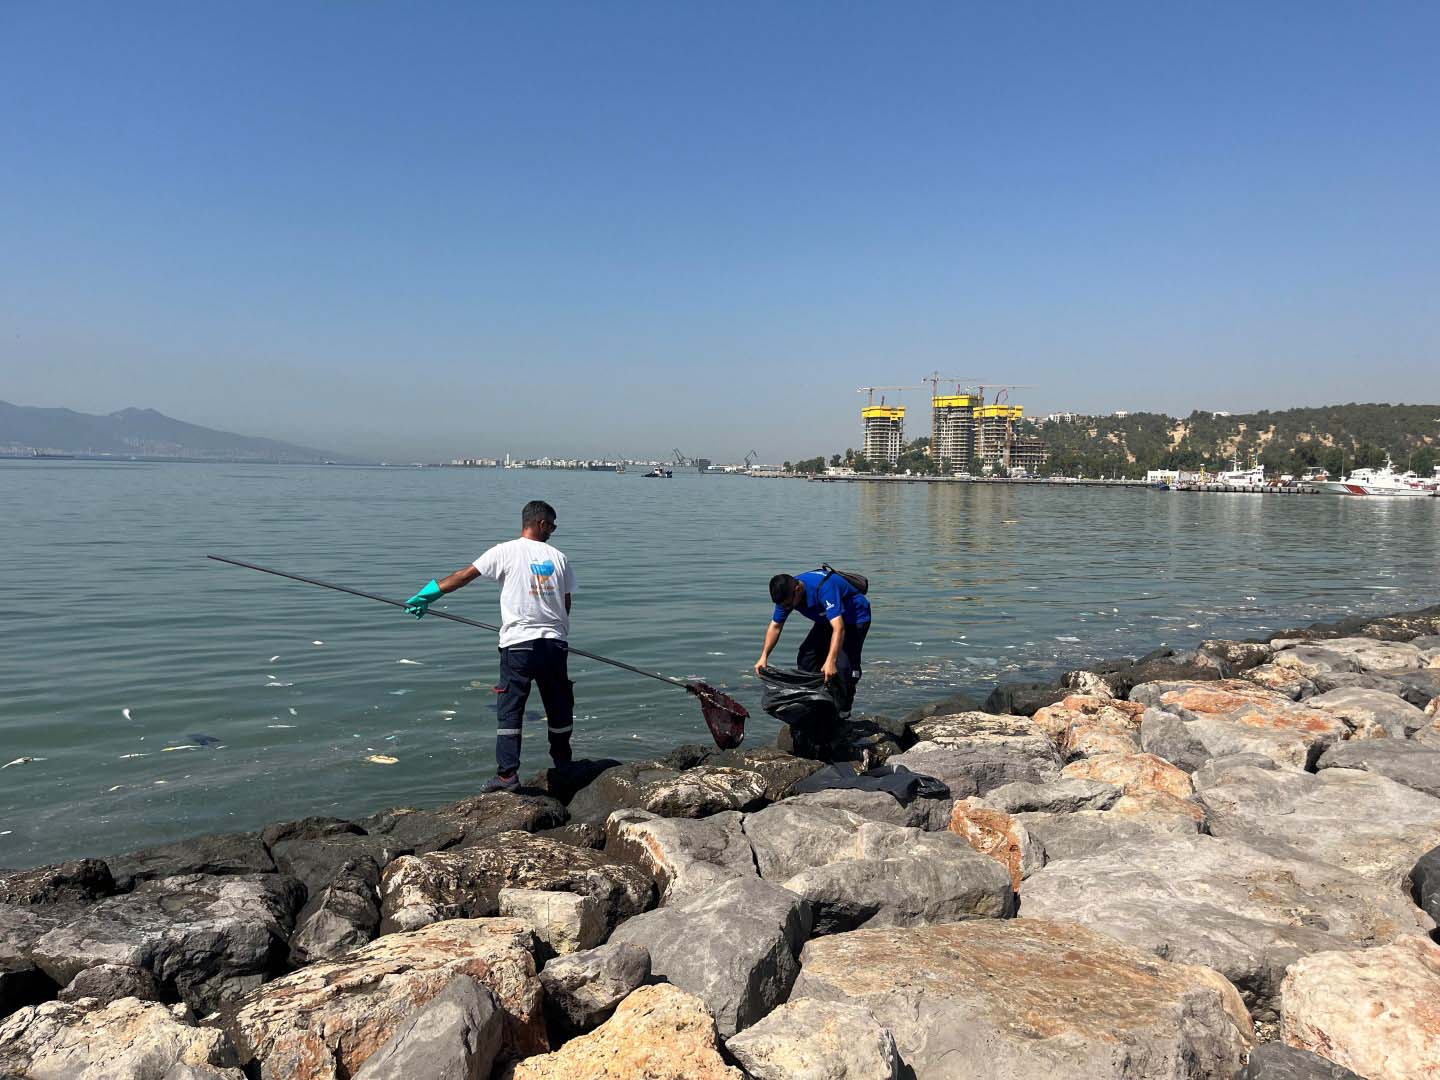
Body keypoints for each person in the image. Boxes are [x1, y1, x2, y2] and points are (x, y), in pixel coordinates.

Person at [404, 499, 576, 793]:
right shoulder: (559, 558)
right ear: (541, 523)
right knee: (559, 705)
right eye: (553, 526)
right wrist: (554, 628)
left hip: (518, 645)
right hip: (554, 646)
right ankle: (563, 765)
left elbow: (462, 577)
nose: (554, 532)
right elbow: (566, 603)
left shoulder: (504, 551)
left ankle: (507, 776)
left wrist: (428, 595)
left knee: (511, 708)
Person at [754, 567, 871, 716]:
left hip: (854, 619)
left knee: (843, 667)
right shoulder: (785, 595)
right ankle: (817, 700)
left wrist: (830, 660)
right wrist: (764, 656)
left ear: (798, 589)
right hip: (826, 619)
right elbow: (776, 626)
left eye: (789, 605)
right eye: (783, 606)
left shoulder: (823, 588)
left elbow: (839, 628)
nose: (786, 608)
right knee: (806, 657)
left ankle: (843, 710)